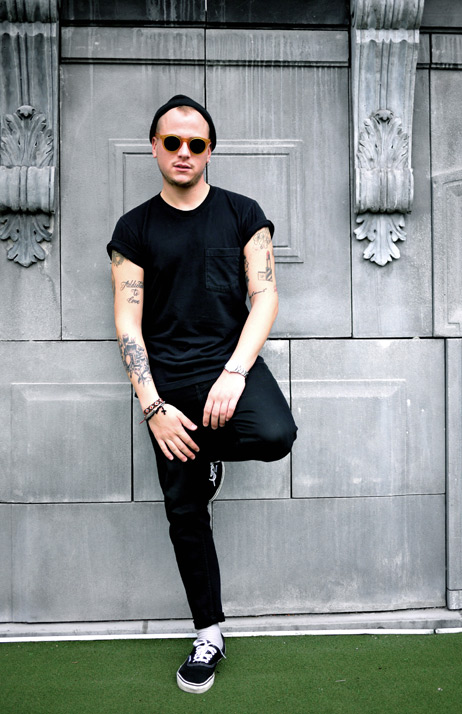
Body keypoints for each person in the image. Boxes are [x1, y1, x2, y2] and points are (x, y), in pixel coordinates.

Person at [107, 95, 297, 694]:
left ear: (210, 150)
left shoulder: (243, 214)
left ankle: (210, 454)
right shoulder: (134, 228)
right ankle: (208, 633)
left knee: (276, 435)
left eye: (196, 143)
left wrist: (236, 372)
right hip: (167, 384)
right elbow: (127, 323)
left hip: (228, 366)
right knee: (186, 512)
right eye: (172, 142)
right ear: (154, 148)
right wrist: (153, 409)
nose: (184, 152)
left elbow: (264, 297)